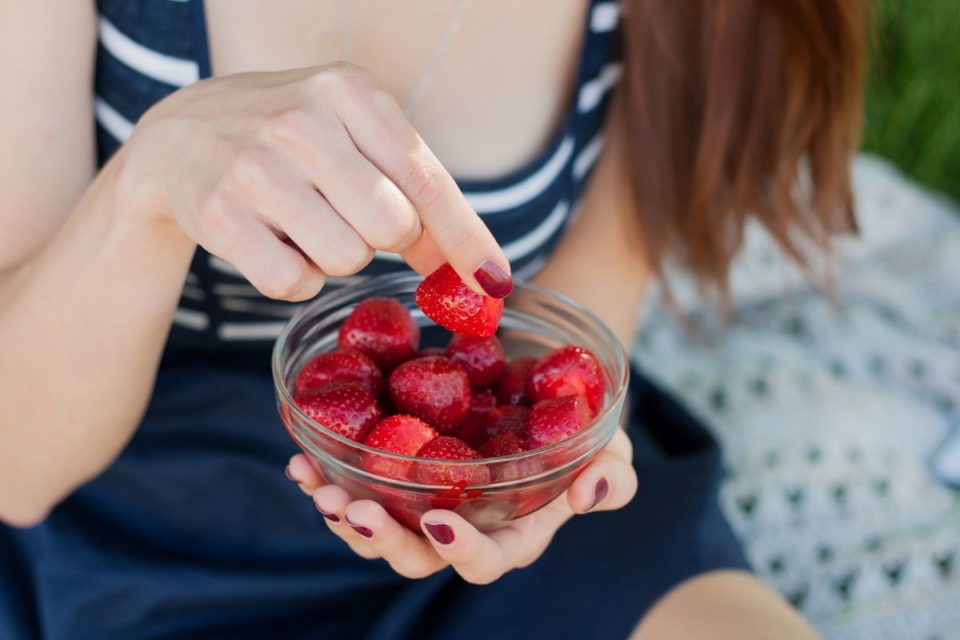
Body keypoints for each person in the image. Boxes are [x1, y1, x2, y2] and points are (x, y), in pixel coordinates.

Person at [0, 1, 866, 638]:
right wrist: (148, 183)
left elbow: (566, 348)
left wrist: (527, 483)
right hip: (116, 511)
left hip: (481, 521)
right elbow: (17, 463)